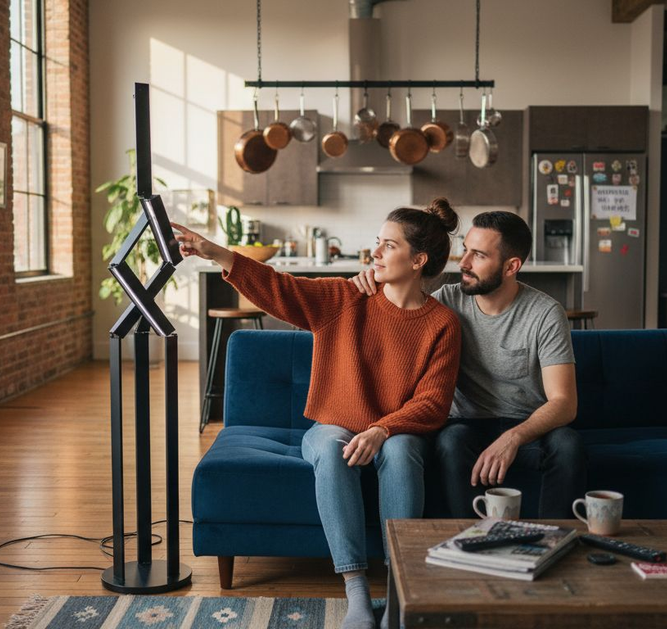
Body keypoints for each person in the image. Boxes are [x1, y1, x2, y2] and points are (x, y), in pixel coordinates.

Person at [172, 198, 462, 629]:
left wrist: (383, 429)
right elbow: (281, 288)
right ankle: (358, 592)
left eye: (388, 245)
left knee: (402, 452)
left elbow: (433, 402)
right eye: (377, 243)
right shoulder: (348, 297)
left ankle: (399, 592)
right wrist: (216, 252)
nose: (375, 253)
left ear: (418, 260)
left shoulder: (443, 323)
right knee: (331, 444)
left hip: (396, 433)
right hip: (332, 427)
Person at [351, 211, 586, 519]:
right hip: (465, 425)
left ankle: (555, 543)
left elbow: (564, 403)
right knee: (450, 441)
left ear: (511, 266)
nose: (462, 263)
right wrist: (371, 282)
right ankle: (470, 542)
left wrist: (513, 438)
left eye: (478, 255)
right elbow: (397, 314)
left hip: (528, 428)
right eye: (466, 250)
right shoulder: (445, 301)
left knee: (569, 445)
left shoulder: (544, 313)